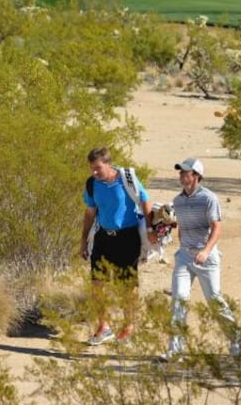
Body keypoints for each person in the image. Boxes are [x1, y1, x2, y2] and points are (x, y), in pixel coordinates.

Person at [161, 157, 240, 361]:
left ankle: (236, 337)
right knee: (179, 300)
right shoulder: (177, 201)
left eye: (185, 172)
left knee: (214, 300)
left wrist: (205, 251)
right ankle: (175, 350)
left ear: (196, 176)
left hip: (207, 257)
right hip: (184, 256)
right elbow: (181, 228)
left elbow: (217, 228)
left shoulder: (208, 198)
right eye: (180, 172)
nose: (181, 176)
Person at [80, 147, 154, 345]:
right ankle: (103, 327)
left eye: (98, 168)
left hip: (127, 238)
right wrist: (83, 241)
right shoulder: (92, 184)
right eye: (91, 169)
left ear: (108, 164)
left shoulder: (127, 179)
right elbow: (89, 213)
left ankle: (129, 327)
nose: (94, 173)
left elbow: (145, 201)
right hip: (103, 237)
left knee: (127, 286)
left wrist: (150, 229)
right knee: (97, 284)